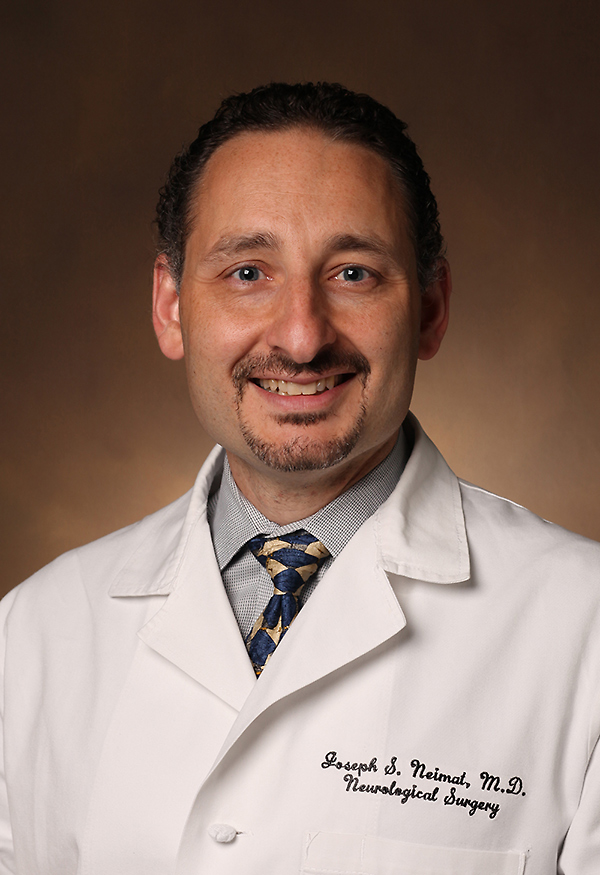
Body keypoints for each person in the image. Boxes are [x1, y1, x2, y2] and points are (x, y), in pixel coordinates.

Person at [1, 82, 598, 875]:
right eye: (248, 271)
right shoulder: (35, 633)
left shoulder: (583, 629)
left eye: (353, 273)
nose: (302, 335)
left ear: (430, 309)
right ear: (171, 306)